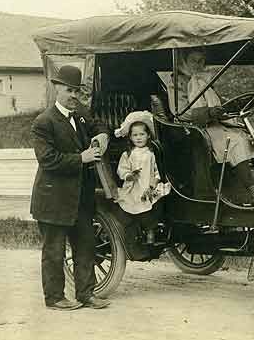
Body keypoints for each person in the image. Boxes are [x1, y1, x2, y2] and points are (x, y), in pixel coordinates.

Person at [30, 64, 111, 311]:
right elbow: (48, 160)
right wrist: (82, 158)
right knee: (54, 251)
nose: (74, 95)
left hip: (80, 198)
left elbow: (99, 125)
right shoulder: (44, 122)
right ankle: (54, 298)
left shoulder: (81, 114)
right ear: (56, 88)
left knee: (85, 246)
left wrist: (103, 136)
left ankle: (86, 293)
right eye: (69, 90)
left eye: (77, 91)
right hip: (53, 198)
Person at [164, 49, 254, 205]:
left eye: (201, 61)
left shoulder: (204, 81)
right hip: (195, 129)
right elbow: (180, 113)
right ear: (184, 61)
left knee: (252, 139)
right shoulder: (178, 83)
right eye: (194, 61)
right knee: (235, 141)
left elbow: (217, 102)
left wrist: (229, 107)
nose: (198, 65)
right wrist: (209, 112)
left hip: (217, 124)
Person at [114, 111, 170, 244]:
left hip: (148, 185)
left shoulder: (151, 153)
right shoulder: (128, 154)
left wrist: (153, 183)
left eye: (142, 134)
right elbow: (122, 169)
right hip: (134, 186)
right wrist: (129, 176)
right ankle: (134, 233)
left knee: (150, 207)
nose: (138, 138)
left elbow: (157, 171)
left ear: (148, 135)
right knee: (132, 206)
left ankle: (151, 231)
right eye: (135, 135)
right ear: (130, 137)